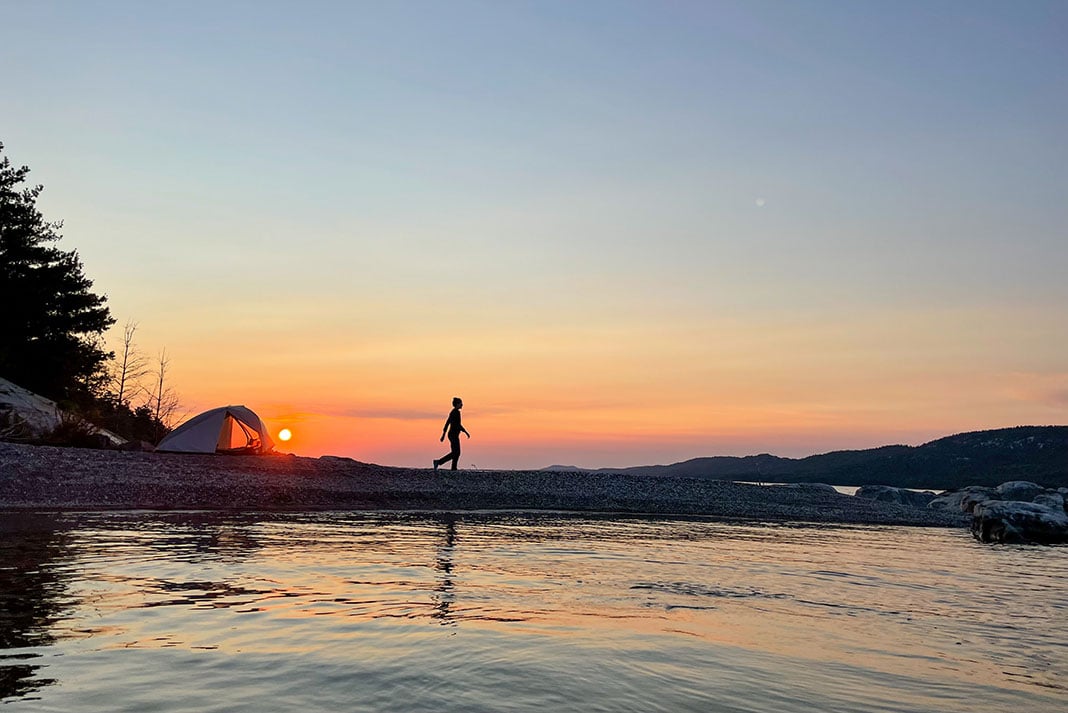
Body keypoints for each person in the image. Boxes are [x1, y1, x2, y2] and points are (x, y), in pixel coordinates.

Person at [433, 397, 470, 471]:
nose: (462, 405)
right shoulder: (455, 412)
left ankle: (453, 468)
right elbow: (455, 424)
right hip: (453, 435)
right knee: (456, 452)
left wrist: (444, 434)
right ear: (457, 404)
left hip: (453, 434)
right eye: (460, 403)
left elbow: (449, 423)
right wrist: (465, 431)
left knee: (456, 452)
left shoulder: (453, 412)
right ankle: (439, 462)